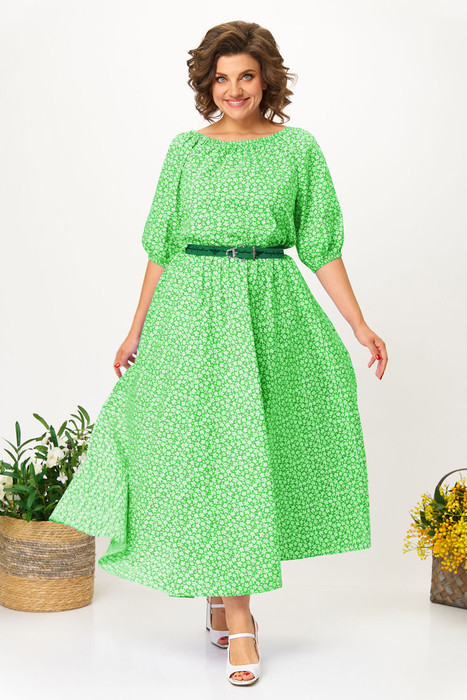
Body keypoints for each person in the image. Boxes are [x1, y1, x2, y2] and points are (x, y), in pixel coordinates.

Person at [49, 20, 387, 687]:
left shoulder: (297, 149)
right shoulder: (186, 150)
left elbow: (321, 245)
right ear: (207, 83)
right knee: (197, 453)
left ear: (267, 79)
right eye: (221, 77)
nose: (233, 89)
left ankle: (236, 614)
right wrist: (135, 329)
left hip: (269, 313)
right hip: (190, 311)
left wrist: (358, 323)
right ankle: (230, 604)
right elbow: (161, 247)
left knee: (244, 457)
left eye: (246, 76)